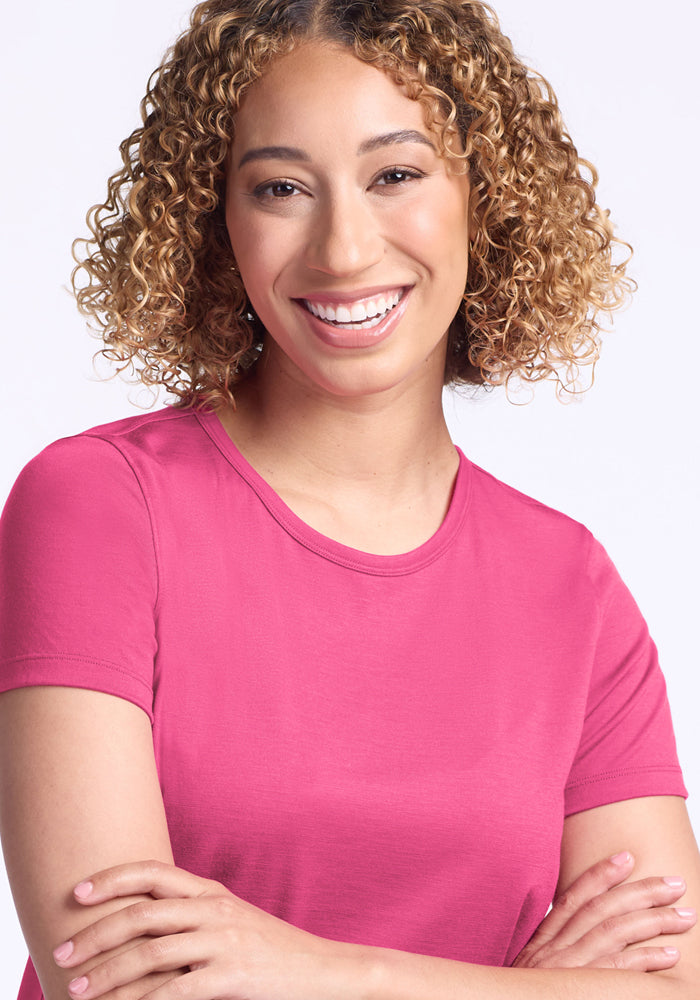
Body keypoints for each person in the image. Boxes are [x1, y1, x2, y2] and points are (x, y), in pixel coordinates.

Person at [0, 1, 698, 998]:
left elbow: (674, 989)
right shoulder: (101, 505)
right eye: (280, 187)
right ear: (216, 220)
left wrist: (312, 967)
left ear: (484, 196)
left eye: (396, 175)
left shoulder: (568, 584)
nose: (341, 249)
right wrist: (520, 986)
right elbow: (117, 981)